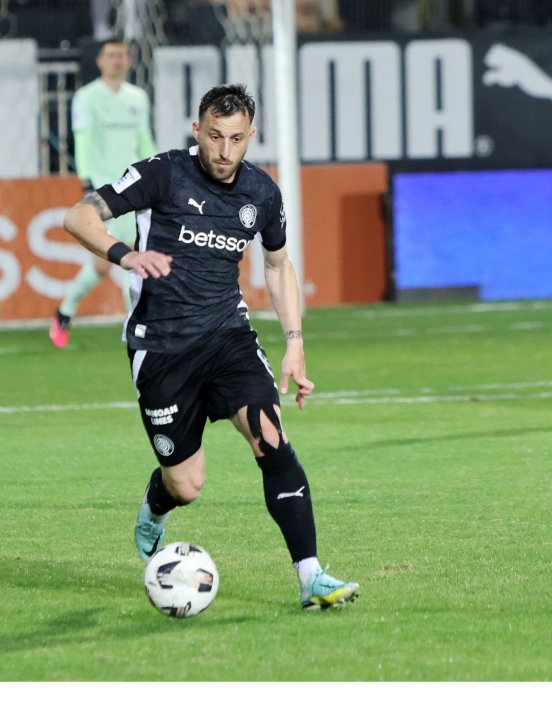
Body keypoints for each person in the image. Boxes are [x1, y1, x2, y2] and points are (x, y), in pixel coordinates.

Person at [62, 83, 360, 611]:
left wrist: (295, 342)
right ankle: (157, 504)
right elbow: (78, 216)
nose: (224, 151)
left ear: (251, 136)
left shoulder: (262, 193)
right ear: (196, 130)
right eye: (215, 136)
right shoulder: (162, 173)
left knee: (272, 439)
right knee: (187, 485)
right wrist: (125, 255)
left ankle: (311, 576)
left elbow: (277, 265)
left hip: (228, 337)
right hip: (161, 347)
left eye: (236, 139)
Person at [49, 38, 156, 349]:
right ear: (99, 61)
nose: (117, 60)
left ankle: (64, 311)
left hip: (133, 186)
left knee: (105, 262)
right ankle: (136, 327)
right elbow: (81, 141)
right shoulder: (86, 97)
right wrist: (86, 180)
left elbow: (144, 141)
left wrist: (158, 173)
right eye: (111, 55)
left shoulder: (138, 97)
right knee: (129, 254)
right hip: (104, 190)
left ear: (128, 61)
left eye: (122, 55)